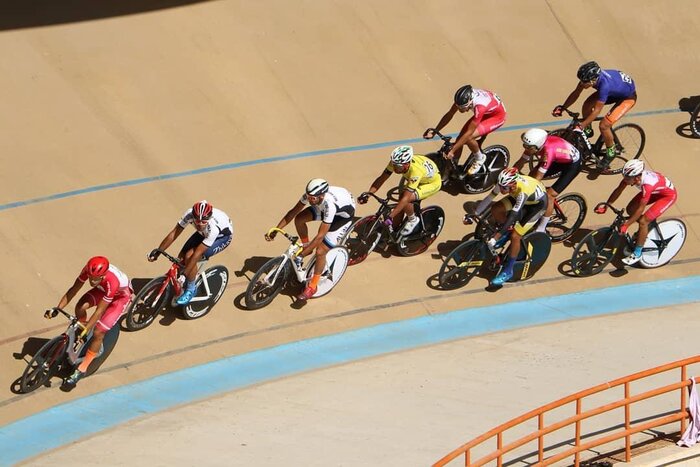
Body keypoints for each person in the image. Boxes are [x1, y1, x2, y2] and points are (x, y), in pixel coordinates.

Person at [46, 256, 133, 387]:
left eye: (95, 279)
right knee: (80, 306)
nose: (92, 281)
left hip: (119, 297)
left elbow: (99, 311)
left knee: (98, 332)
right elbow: (74, 289)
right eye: (90, 278)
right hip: (102, 289)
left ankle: (82, 369)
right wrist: (57, 308)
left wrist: (87, 330)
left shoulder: (112, 282)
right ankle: (80, 330)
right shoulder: (88, 270)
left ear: (103, 276)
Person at [266, 179, 355, 301]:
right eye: (308, 196)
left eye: (312, 198)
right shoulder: (311, 196)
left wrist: (301, 255)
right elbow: (293, 212)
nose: (309, 199)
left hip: (342, 218)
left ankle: (313, 286)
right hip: (327, 206)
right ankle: (306, 246)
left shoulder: (330, 205)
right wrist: (276, 229)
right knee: (299, 219)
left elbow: (320, 236)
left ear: (321, 195)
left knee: (320, 251)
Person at [466, 168, 548, 286]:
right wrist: (475, 213)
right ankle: (506, 233)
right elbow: (490, 198)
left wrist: (496, 237)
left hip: (536, 206)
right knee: (496, 209)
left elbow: (512, 216)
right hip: (521, 197)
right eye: (501, 186)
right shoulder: (504, 183)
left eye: (504, 188)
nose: (501, 190)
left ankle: (508, 270)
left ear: (513, 185)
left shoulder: (522, 192)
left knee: (515, 236)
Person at [552, 61, 637, 169]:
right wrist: (563, 107)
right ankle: (588, 130)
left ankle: (611, 151)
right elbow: (576, 93)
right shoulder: (589, 78)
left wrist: (581, 125)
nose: (582, 84)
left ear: (593, 80)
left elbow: (597, 111)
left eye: (584, 82)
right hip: (615, 90)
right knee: (587, 105)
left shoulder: (604, 86)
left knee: (604, 125)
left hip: (627, 98)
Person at [148, 200, 233, 305]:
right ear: (193, 216)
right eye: (197, 221)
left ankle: (191, 289)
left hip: (221, 237)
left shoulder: (214, 229)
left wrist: (185, 274)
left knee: (190, 256)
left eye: (203, 222)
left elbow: (197, 253)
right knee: (181, 258)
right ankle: (185, 282)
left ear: (209, 219)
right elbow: (174, 233)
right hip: (203, 233)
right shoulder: (189, 214)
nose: (200, 224)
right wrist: (159, 251)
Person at [594, 159, 677, 265]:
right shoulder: (632, 177)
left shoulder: (647, 185)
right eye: (624, 176)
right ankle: (645, 230)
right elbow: (618, 190)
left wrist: (626, 225)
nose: (625, 179)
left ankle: (638, 253)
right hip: (655, 191)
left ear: (637, 177)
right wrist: (607, 205)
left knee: (643, 221)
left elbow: (641, 208)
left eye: (627, 178)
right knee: (630, 210)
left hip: (667, 196)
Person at [423, 84, 507, 177]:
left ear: (470, 102)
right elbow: (450, 114)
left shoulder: (480, 107)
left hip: (496, 117)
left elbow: (469, 133)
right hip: (488, 110)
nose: (460, 110)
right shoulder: (462, 99)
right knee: (460, 138)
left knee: (468, 137)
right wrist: (435, 131)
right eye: (458, 107)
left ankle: (480, 158)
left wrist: (452, 150)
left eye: (462, 108)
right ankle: (453, 168)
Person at [359, 145, 441, 236]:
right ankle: (393, 232)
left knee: (404, 199)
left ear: (407, 164)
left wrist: (390, 217)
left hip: (430, 183)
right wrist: (368, 194)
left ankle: (413, 219)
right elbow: (382, 178)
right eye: (394, 165)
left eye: (399, 167)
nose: (395, 169)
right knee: (400, 205)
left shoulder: (415, 172)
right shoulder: (395, 162)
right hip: (421, 176)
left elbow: (406, 198)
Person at [512, 128, 582, 233]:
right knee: (531, 176)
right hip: (558, 158)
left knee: (550, 195)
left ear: (537, 146)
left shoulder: (548, 152)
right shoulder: (533, 145)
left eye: (528, 147)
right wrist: (511, 174)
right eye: (524, 145)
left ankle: (541, 229)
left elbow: (537, 178)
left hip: (572, 164)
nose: (525, 148)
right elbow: (521, 162)